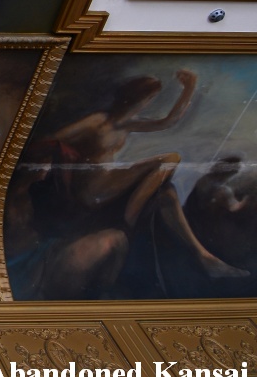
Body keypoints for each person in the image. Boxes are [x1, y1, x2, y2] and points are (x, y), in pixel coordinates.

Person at [31, 71, 247, 287]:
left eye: (150, 99)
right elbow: (52, 140)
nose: (147, 104)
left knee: (167, 194)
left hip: (109, 183)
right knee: (170, 159)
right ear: (133, 98)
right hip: (92, 188)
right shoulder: (98, 121)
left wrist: (188, 89)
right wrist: (48, 164)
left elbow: (168, 121)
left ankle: (204, 257)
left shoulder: (127, 125)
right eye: (148, 98)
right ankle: (130, 218)